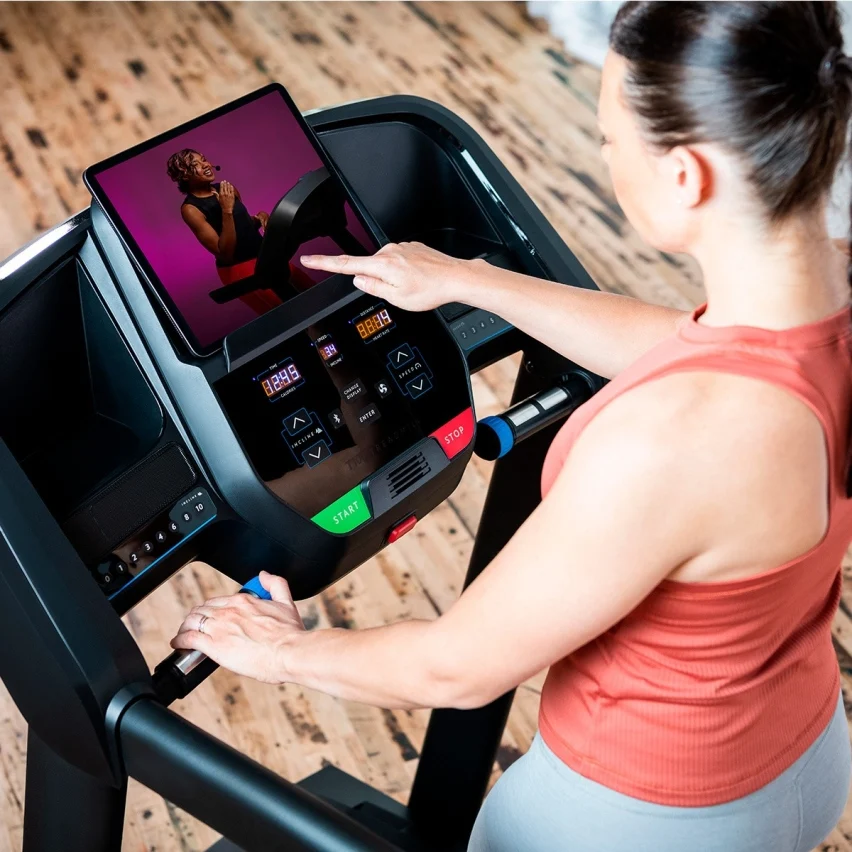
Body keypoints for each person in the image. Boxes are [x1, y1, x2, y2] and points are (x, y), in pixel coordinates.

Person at [171, 3, 852, 850]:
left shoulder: (674, 440)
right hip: (797, 753)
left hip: (641, 817)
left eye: (609, 139)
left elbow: (456, 668)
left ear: (686, 175)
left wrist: (282, 651)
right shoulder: (824, 302)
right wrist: (470, 280)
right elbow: (689, 347)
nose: (606, 157)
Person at [166, 148, 311, 314]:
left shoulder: (226, 189)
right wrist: (226, 210)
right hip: (238, 268)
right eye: (195, 164)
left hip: (264, 256)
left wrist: (259, 217)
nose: (206, 165)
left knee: (309, 290)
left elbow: (242, 225)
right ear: (184, 176)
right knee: (290, 312)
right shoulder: (191, 209)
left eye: (204, 159)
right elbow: (225, 253)